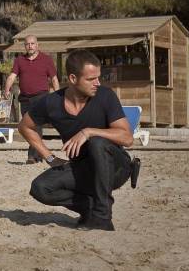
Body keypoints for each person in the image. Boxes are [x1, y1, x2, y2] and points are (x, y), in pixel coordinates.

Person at [20, 49, 137, 231]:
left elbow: (128, 138)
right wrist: (49, 157)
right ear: (73, 79)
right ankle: (90, 208)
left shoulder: (105, 96)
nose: (97, 83)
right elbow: (25, 127)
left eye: (99, 77)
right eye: (91, 79)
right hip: (83, 169)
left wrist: (88, 131)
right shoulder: (51, 103)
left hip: (116, 168)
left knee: (97, 142)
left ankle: (102, 217)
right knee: (40, 188)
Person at [4, 35, 60, 163]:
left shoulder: (46, 59)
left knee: (37, 125)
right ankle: (39, 154)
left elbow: (54, 79)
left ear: (37, 45)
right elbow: (12, 76)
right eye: (28, 44)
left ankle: (32, 156)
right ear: (25, 46)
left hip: (41, 97)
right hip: (25, 99)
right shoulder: (19, 60)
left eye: (32, 43)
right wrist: (6, 89)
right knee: (27, 126)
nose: (30, 46)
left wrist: (57, 96)